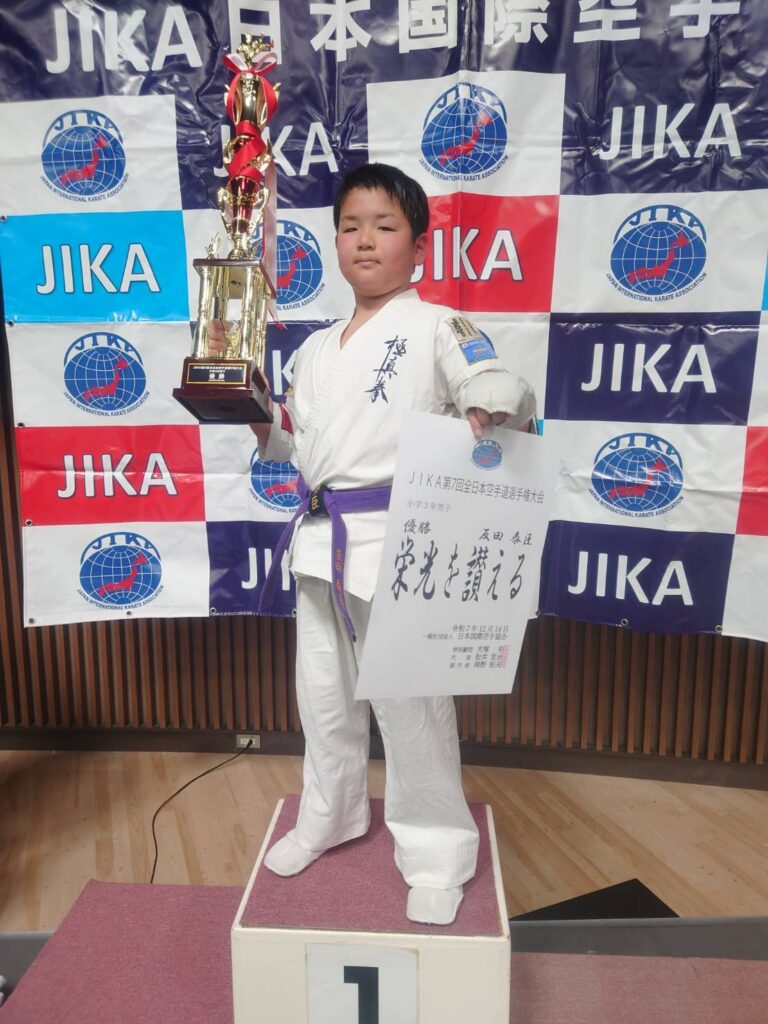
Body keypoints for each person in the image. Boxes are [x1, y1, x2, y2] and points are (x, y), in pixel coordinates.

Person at [216, 163, 535, 924]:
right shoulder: (315, 349)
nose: (365, 240)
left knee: (410, 703)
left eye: (385, 227)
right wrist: (253, 411)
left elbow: (495, 383)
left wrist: (490, 404)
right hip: (318, 537)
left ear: (419, 248)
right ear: (334, 241)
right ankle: (330, 815)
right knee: (322, 695)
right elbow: (294, 446)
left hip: (397, 539)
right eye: (351, 226)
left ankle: (437, 850)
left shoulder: (438, 326)